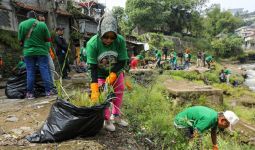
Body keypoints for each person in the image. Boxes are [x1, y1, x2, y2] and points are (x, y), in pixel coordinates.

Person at [86, 13, 129, 132]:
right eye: (106, 36)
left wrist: (113, 75)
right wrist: (94, 87)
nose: (109, 40)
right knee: (103, 95)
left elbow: (122, 61)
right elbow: (93, 67)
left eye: (112, 37)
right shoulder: (92, 44)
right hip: (99, 73)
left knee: (119, 91)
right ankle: (107, 120)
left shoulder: (120, 41)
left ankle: (116, 116)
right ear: (100, 32)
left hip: (115, 71)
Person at [18, 11, 52, 99]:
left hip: (28, 52)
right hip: (41, 51)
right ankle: (48, 91)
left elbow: (20, 40)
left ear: (27, 17)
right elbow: (48, 39)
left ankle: (30, 94)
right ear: (36, 17)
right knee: (44, 70)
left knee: (30, 72)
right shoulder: (42, 25)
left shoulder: (22, 24)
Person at [174, 106, 239, 150]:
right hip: (181, 123)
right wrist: (199, 147)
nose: (224, 128)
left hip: (190, 124)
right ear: (222, 120)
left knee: (195, 143)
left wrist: (215, 145)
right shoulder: (209, 119)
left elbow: (213, 132)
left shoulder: (216, 117)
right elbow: (196, 133)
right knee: (193, 144)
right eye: (225, 126)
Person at [37, 14, 56, 87]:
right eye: (42, 20)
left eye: (44, 20)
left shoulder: (45, 28)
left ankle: (52, 84)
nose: (43, 22)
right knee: (45, 69)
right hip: (41, 52)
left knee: (51, 68)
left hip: (47, 51)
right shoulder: (37, 29)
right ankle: (48, 86)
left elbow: (48, 41)